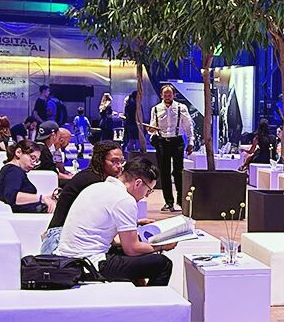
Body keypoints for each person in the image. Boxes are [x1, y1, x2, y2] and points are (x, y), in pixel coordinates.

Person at [57, 155, 175, 285]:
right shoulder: (124, 199)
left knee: (134, 253)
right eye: (148, 191)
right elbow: (132, 248)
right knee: (162, 263)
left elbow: (103, 234)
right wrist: (162, 246)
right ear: (138, 183)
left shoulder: (96, 187)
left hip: (67, 258)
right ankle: (149, 298)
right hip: (89, 264)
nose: (146, 196)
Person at [40, 140, 127, 255]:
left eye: (121, 161)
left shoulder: (93, 177)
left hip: (63, 237)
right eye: (114, 161)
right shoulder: (93, 181)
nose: (119, 166)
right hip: (59, 240)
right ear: (100, 160)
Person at [148, 84, 191, 212]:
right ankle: (168, 202)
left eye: (169, 94)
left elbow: (188, 125)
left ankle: (181, 200)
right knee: (164, 172)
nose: (167, 96)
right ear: (161, 95)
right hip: (162, 142)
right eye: (165, 94)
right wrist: (150, 130)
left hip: (177, 141)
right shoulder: (156, 109)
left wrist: (191, 142)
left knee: (178, 171)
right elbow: (152, 127)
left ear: (174, 95)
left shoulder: (181, 107)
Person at [0, 140, 49, 214]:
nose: (34, 163)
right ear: (18, 152)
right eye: (32, 158)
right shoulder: (14, 171)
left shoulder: (12, 170)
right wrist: (42, 198)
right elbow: (12, 196)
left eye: (36, 161)